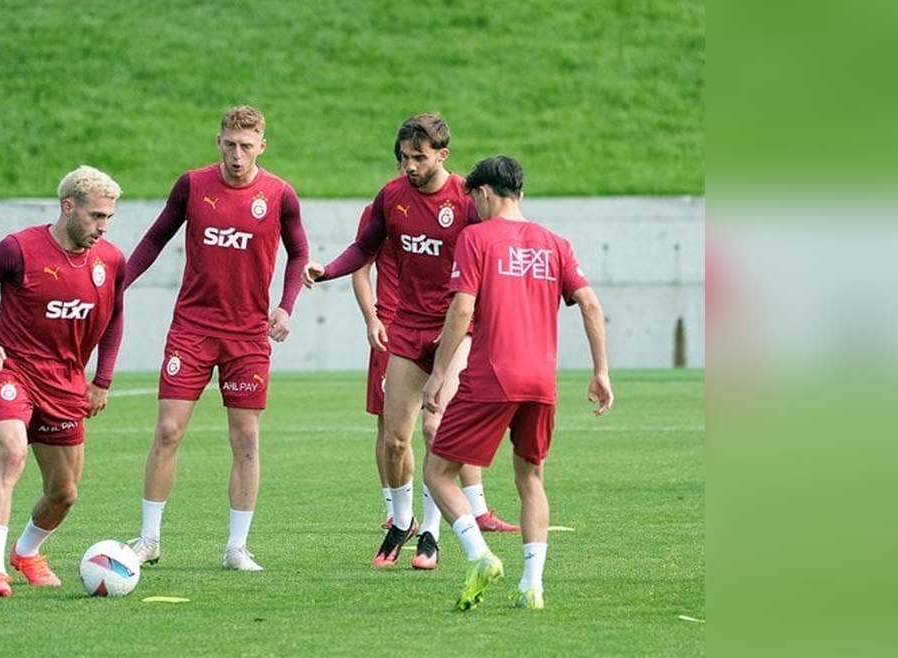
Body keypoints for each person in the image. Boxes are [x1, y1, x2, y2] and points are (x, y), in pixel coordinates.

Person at [304, 112, 517, 572]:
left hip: (453, 331)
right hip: (407, 328)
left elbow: (493, 256)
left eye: (419, 157)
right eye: (403, 157)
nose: (410, 166)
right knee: (395, 439)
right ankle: (402, 521)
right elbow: (364, 248)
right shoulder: (392, 196)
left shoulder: (464, 202)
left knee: (435, 427)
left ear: (443, 154)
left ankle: (431, 537)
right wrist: (329, 271)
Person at [421, 155, 613, 612]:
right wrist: (601, 370)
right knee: (530, 477)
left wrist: (439, 374)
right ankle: (533, 585)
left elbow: (462, 310)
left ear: (484, 193)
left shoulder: (475, 238)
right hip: (541, 381)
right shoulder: (555, 243)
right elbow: (589, 303)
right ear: (520, 193)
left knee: (437, 471)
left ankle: (479, 555)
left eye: (474, 198)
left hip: (492, 376)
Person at [125, 105, 309, 572]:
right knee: (168, 430)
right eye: (230, 143)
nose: (237, 154)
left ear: (262, 146)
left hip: (247, 335)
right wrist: (116, 284)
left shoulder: (280, 194)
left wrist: (286, 306)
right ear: (218, 141)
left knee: (245, 438)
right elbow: (153, 240)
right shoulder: (192, 185)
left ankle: (236, 548)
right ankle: (148, 538)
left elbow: (300, 251)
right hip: (191, 327)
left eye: (247, 146)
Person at [0, 165, 127, 598]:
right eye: (95, 216)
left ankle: (26, 552)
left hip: (66, 383)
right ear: (68, 207)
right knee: (10, 452)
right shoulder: (17, 249)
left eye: (108, 218)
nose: (102, 227)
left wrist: (101, 379)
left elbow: (116, 317)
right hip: (11, 371)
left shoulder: (111, 261)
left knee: (63, 494)